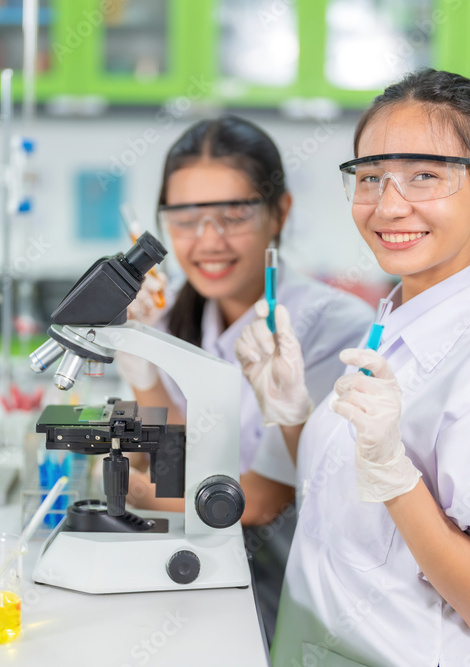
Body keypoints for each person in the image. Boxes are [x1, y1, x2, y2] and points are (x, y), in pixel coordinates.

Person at [235, 69, 470, 666]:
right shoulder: (393, 321)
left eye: (424, 176)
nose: (388, 205)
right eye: (370, 178)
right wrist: (290, 415)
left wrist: (395, 472)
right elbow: (343, 501)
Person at [115, 115, 374, 643]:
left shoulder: (330, 324)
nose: (207, 240)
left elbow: (262, 501)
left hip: (299, 582)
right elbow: (177, 460)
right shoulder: (179, 319)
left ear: (279, 213)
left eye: (233, 214)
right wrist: (143, 368)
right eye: (185, 218)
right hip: (211, 562)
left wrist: (135, 493)